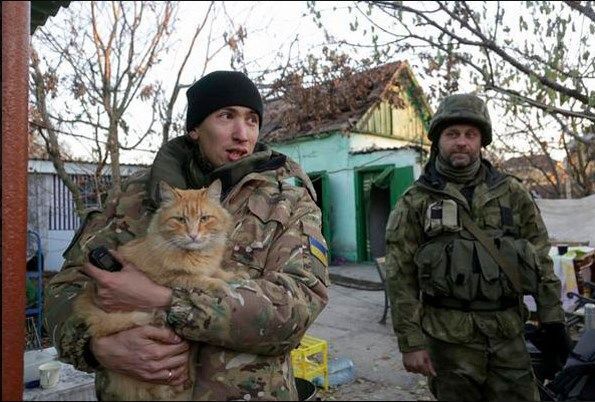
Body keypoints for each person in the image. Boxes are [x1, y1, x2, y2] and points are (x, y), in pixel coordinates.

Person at [44, 70, 330, 401]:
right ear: (195, 128)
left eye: (252, 120)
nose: (242, 133)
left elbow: (297, 309)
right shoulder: (134, 195)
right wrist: (95, 347)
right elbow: (64, 291)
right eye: (226, 116)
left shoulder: (288, 199)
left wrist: (164, 299)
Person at [384, 93, 572, 401]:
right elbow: (399, 274)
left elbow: (540, 257)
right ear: (438, 140)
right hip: (448, 342)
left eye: (470, 135)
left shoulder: (511, 193)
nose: (461, 142)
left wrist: (552, 321)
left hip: (508, 336)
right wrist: (411, 342)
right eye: (452, 134)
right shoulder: (415, 201)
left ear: (481, 141)